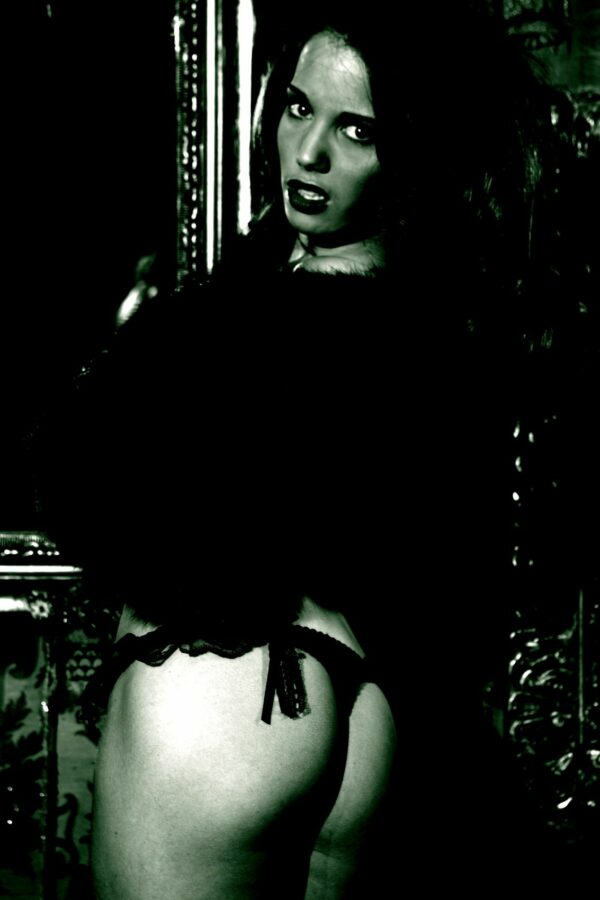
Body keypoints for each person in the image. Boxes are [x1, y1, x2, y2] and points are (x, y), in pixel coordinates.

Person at [33, 2, 557, 896]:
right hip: (377, 728)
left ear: (415, 152)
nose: (308, 154)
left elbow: (75, 477)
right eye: (298, 108)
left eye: (357, 130)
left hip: (222, 702)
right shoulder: (444, 336)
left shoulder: (238, 327)